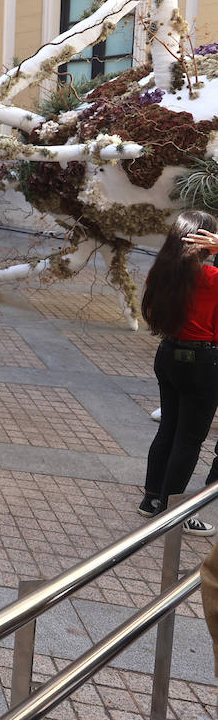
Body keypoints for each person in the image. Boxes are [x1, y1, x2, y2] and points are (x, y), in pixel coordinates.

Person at [138, 211, 218, 535]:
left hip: (167, 354)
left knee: (168, 430)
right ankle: (172, 514)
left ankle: (152, 500)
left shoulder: (160, 273)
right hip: (203, 363)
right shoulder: (211, 279)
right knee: (189, 440)